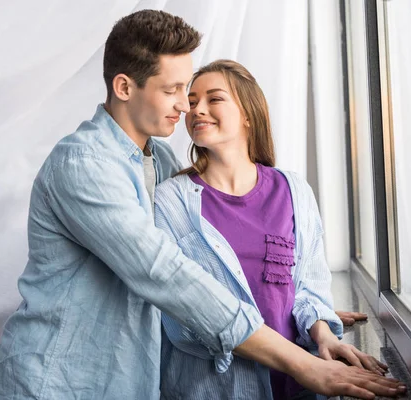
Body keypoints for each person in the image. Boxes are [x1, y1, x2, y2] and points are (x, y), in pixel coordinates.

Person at [0, 10, 406, 400]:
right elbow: (163, 273)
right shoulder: (83, 164)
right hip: (57, 382)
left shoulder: (161, 161)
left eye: (185, 90)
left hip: (126, 380)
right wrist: (301, 364)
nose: (185, 106)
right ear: (124, 87)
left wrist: (298, 307)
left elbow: (220, 258)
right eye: (172, 90)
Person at [155, 60, 389, 400]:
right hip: (212, 390)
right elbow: (182, 320)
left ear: (248, 113)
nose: (197, 110)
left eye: (214, 99)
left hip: (300, 389)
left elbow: (308, 286)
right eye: (191, 102)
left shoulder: (294, 190)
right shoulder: (170, 203)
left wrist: (322, 332)